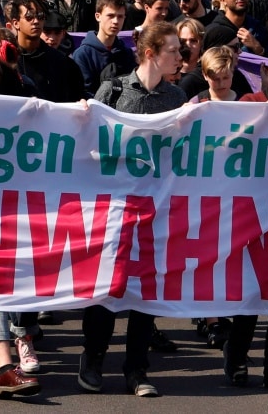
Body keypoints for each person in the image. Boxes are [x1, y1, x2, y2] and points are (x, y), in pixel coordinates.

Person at [82, 20, 185, 399]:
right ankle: (92, 359)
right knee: (108, 286)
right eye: (173, 51)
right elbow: (89, 142)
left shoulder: (175, 99)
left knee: (145, 290)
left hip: (156, 208)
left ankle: (136, 369)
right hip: (114, 207)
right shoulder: (114, 90)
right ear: (150, 54)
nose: (179, 57)